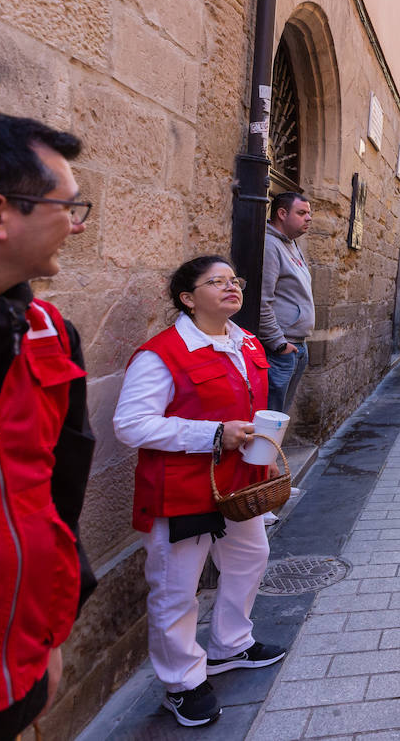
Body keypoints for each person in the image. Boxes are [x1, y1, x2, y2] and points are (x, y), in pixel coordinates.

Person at [113, 256, 287, 727]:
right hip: (181, 490)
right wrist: (212, 434)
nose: (231, 287)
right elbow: (131, 425)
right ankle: (182, 681)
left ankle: (232, 643)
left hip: (238, 487)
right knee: (176, 588)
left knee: (250, 558)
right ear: (188, 299)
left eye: (235, 279)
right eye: (217, 282)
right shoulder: (161, 354)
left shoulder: (247, 342)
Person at [0, 110, 97, 741]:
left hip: (20, 676)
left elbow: (59, 495)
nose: (77, 226)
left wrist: (49, 636)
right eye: (68, 208)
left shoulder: (53, 337)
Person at [259, 192, 314, 414]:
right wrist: (278, 344)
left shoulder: (291, 244)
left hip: (296, 344)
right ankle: (268, 450)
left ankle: (274, 450)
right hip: (281, 347)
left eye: (309, 213)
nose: (308, 218)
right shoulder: (270, 245)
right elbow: (263, 300)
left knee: (280, 416)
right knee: (271, 417)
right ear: (282, 213)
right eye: (301, 213)